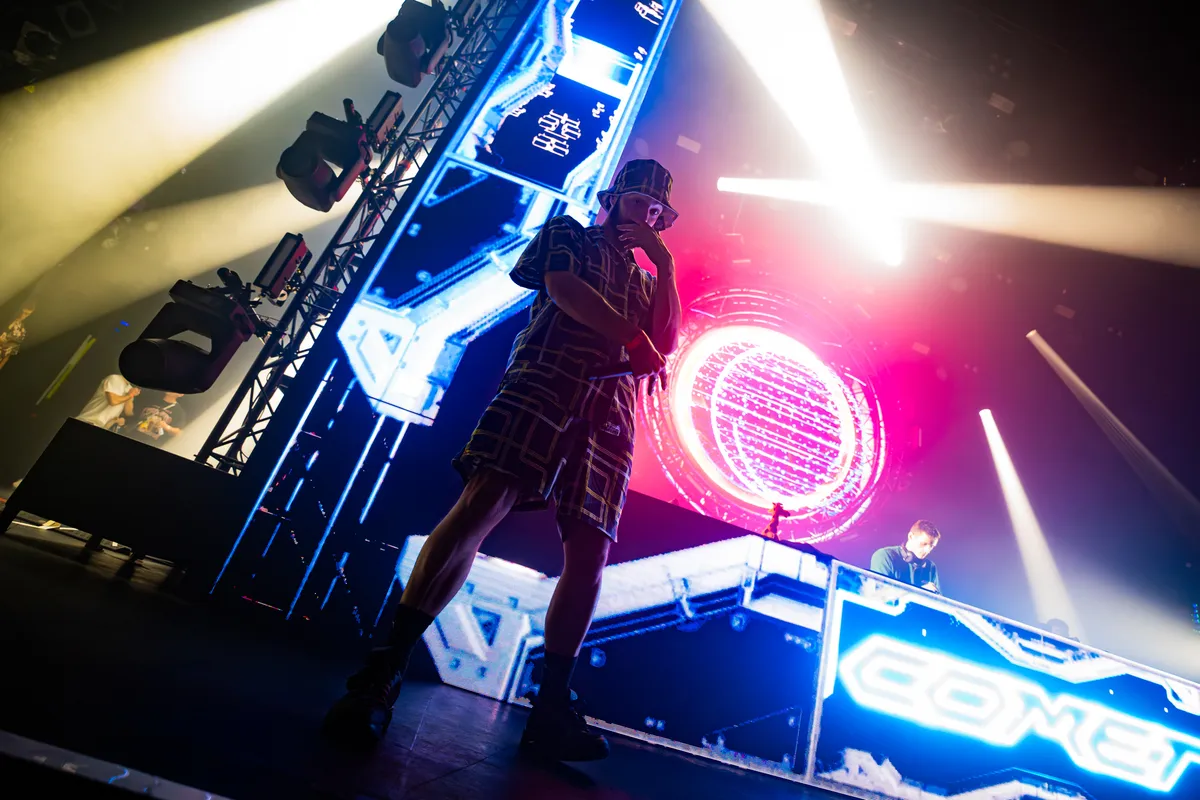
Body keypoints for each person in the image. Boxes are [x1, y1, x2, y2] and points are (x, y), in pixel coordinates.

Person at [323, 159, 682, 761]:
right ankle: (382, 673)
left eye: (656, 209)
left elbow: (665, 342)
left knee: (590, 552)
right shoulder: (568, 232)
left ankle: (551, 709)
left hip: (610, 412)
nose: (647, 214)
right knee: (482, 504)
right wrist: (629, 337)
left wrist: (665, 266)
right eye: (639, 200)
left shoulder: (647, 283)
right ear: (614, 196)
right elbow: (563, 289)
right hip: (546, 381)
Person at [870, 520, 942, 593]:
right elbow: (880, 593)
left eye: (931, 546)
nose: (927, 550)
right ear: (911, 536)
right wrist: (919, 592)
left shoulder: (931, 567)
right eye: (923, 544)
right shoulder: (885, 556)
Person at [0, 301, 35, 372]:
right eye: (22, 312)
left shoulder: (22, 330)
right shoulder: (6, 318)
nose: (23, 315)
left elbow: (10, 352)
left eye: (27, 314)